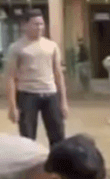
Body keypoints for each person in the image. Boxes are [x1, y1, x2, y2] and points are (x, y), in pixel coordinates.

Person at [5, 10, 68, 146]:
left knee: (58, 135)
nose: (39, 27)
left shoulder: (51, 46)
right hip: (27, 95)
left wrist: (63, 101)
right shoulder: (16, 48)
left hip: (50, 94)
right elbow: (11, 78)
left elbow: (58, 74)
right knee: (27, 137)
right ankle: (30, 159)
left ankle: (57, 160)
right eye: (35, 24)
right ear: (25, 25)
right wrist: (12, 106)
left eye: (41, 24)